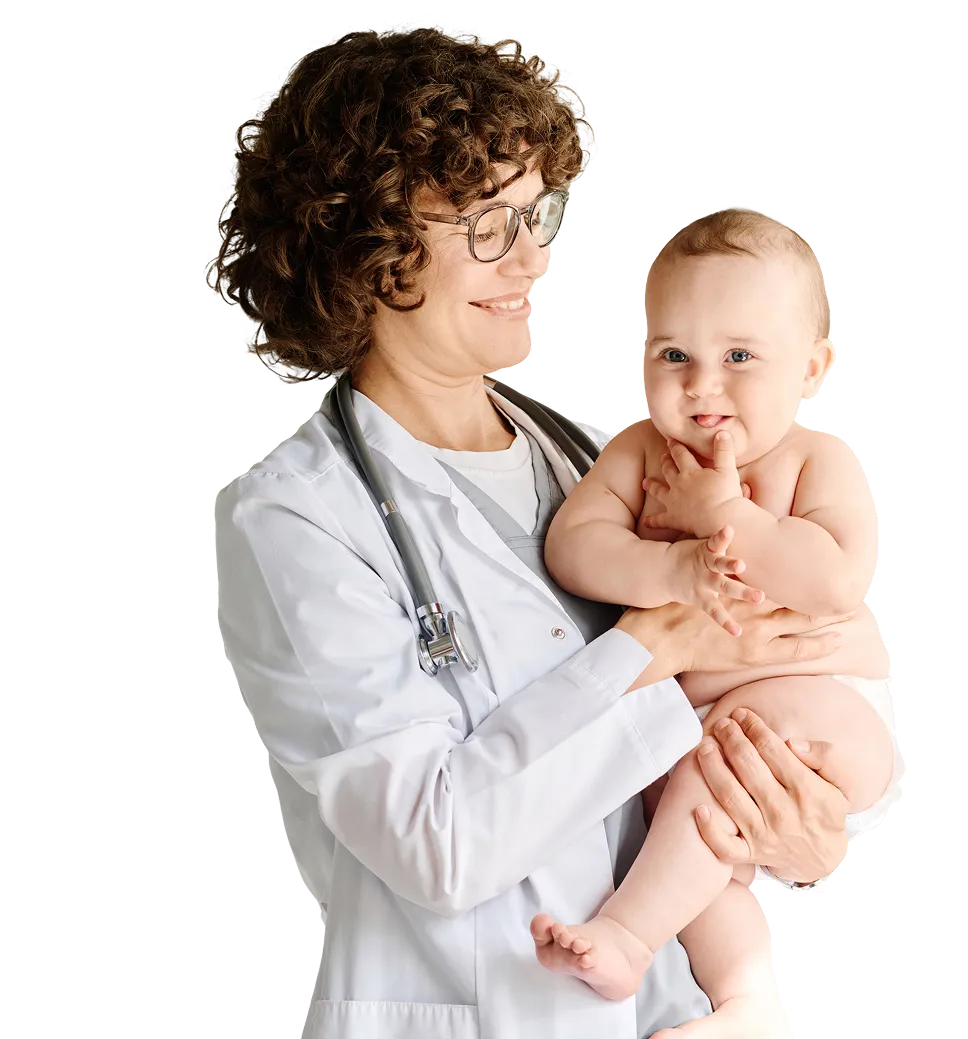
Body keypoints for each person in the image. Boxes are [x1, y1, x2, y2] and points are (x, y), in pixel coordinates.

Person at [209, 26, 866, 1039]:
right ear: (364, 242)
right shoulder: (296, 520)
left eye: (536, 215)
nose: (533, 258)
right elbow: (436, 842)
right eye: (484, 226)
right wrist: (662, 640)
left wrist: (799, 828)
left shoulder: (600, 457)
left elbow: (770, 699)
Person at [530, 207, 903, 1035]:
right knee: (695, 836)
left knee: (727, 756)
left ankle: (628, 934)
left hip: (818, 704)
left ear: (812, 367)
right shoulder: (637, 452)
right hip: (692, 723)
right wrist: (665, 567)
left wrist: (728, 511)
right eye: (674, 355)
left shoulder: (817, 461)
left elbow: (838, 581)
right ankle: (745, 1000)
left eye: (738, 356)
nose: (701, 384)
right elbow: (574, 547)